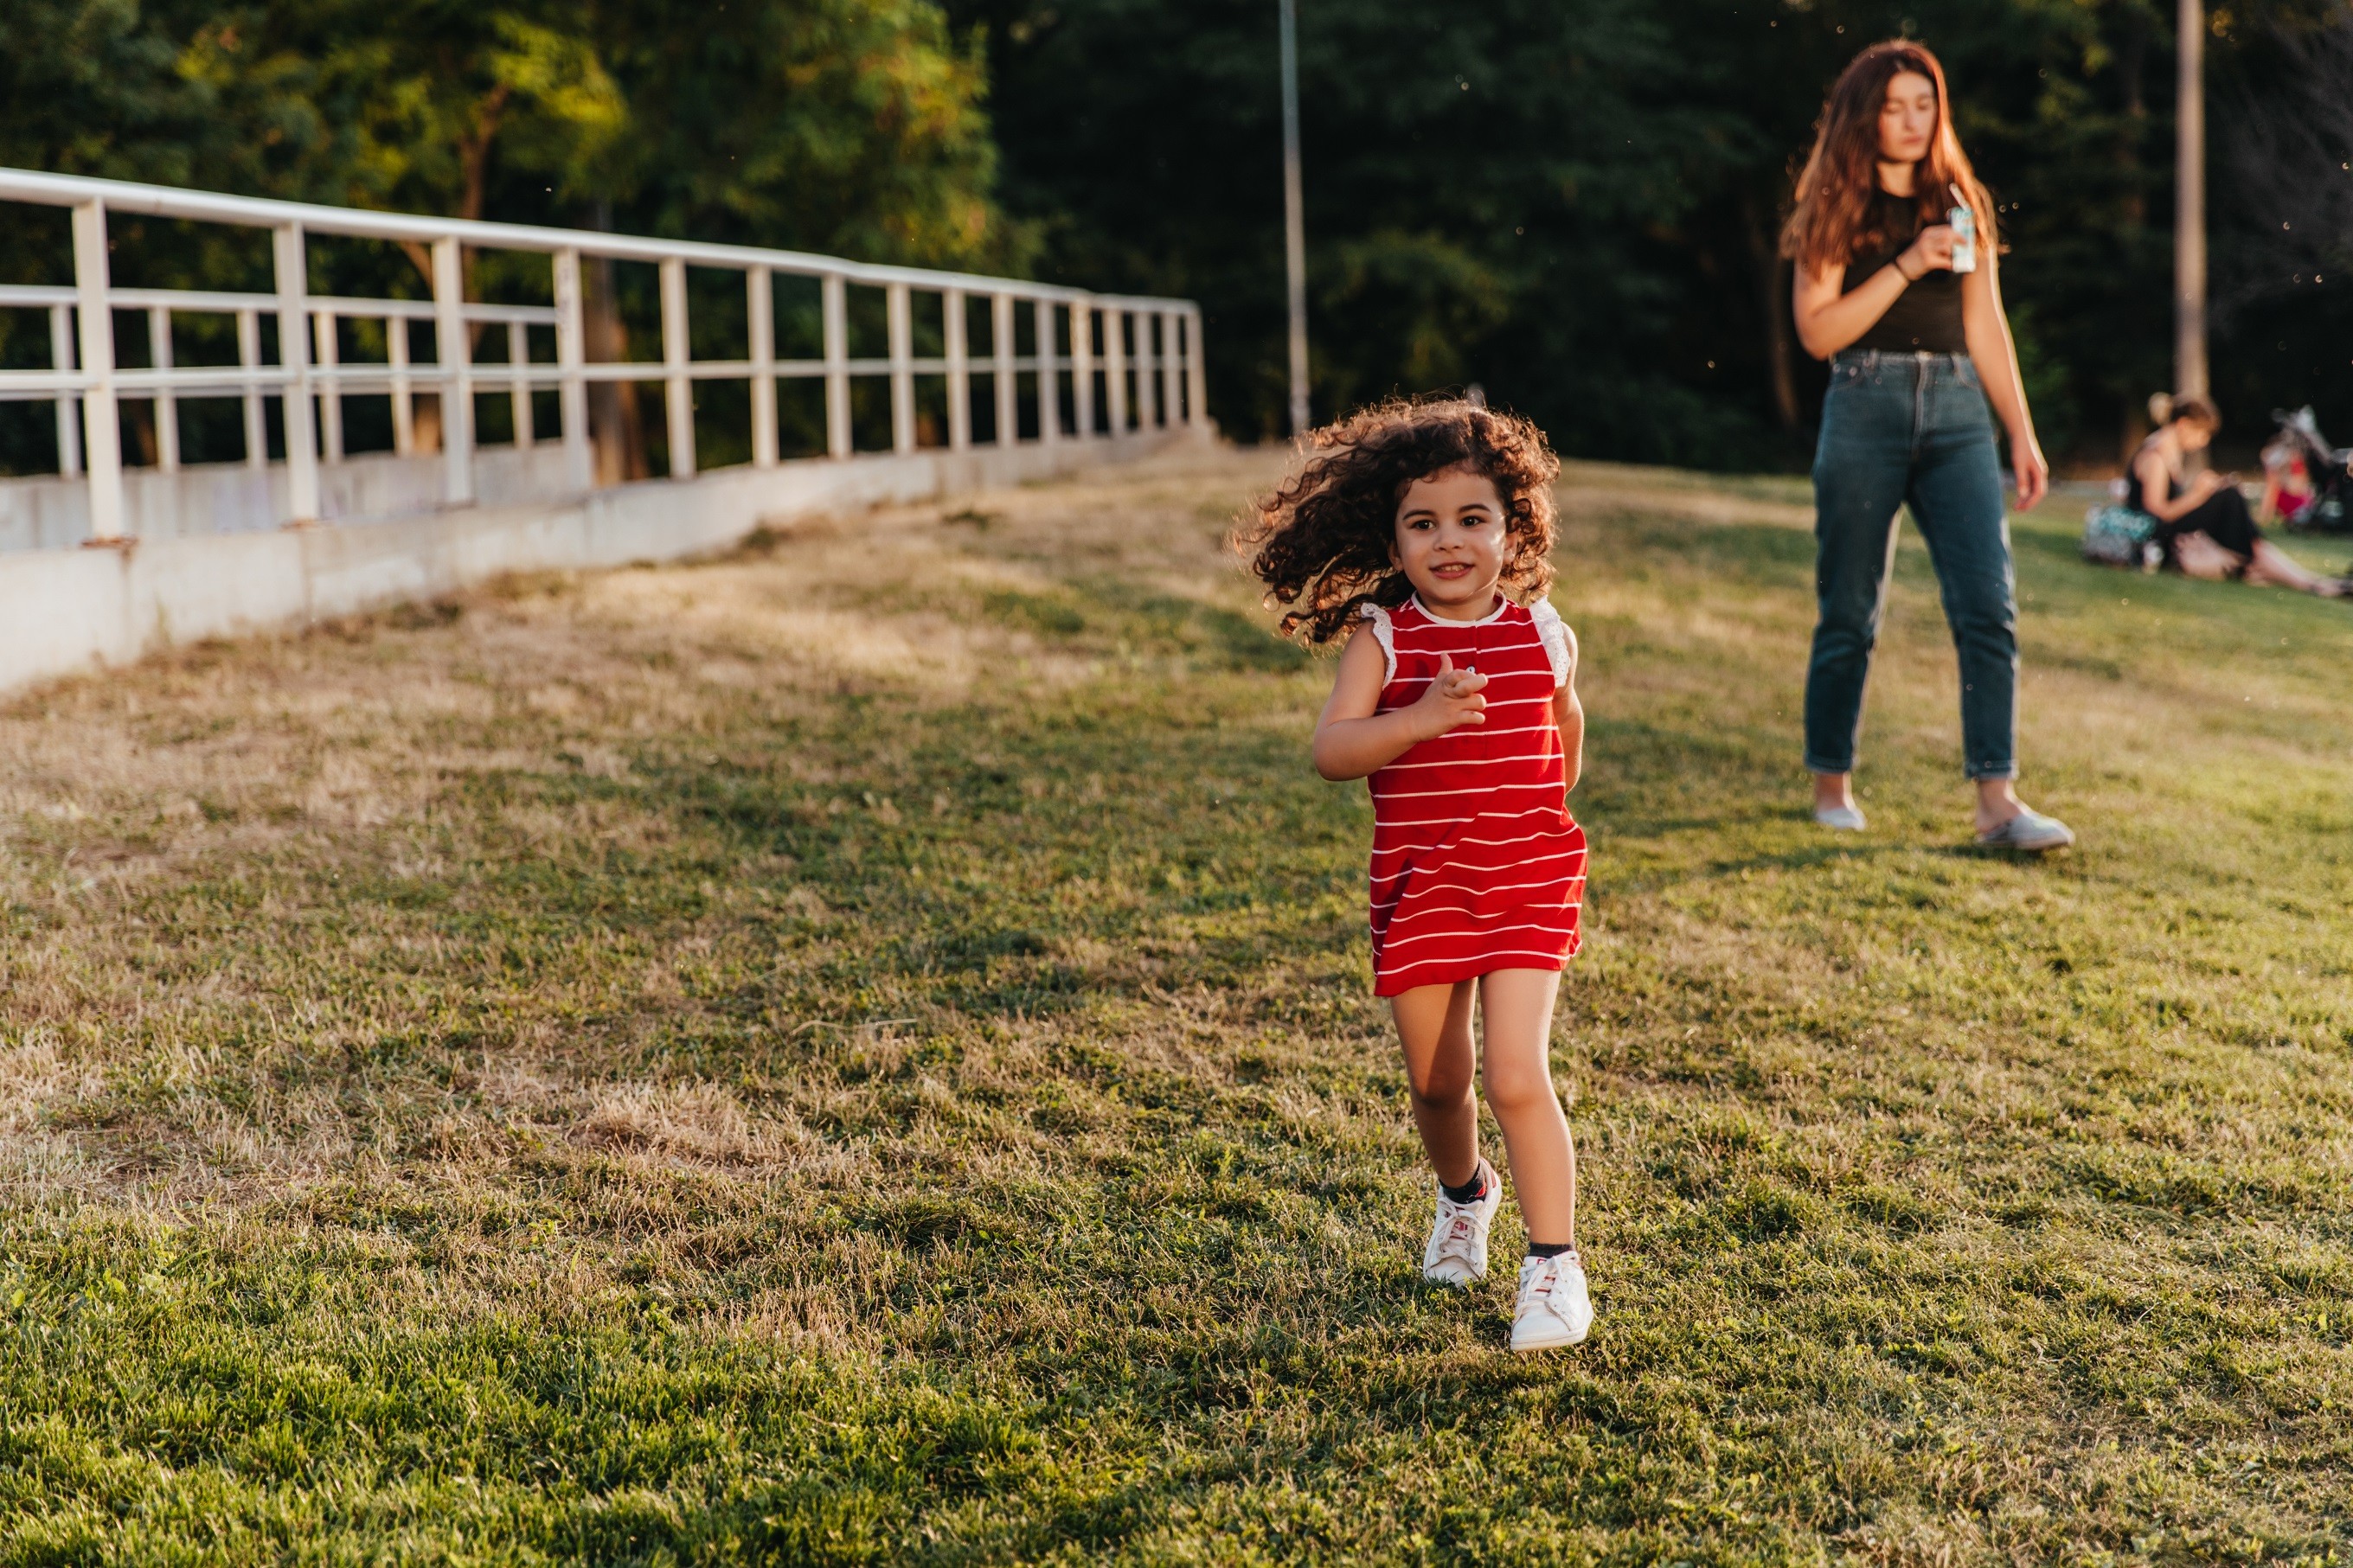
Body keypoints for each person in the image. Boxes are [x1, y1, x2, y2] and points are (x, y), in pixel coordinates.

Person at [1243, 397, 1593, 1354]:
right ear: (1391, 541)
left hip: (1525, 870)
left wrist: (1543, 800)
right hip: (1422, 881)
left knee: (1517, 1071)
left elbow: (1562, 730)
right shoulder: (1384, 639)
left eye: (1471, 519)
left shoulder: (1543, 632)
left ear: (1510, 530)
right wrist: (1419, 721)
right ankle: (1462, 1195)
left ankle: (1552, 1266)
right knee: (1439, 1082)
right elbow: (1333, 750)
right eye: (1422, 523)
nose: (1449, 542)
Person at [1783, 41, 2074, 852]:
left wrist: (2021, 432)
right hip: (1864, 400)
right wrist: (1908, 262)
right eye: (1893, 106)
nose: (1910, 123)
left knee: (1988, 606)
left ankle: (1997, 802)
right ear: (1864, 114)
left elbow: (1985, 324)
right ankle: (1832, 781)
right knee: (1849, 610)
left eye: (1924, 106)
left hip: (1957, 414)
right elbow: (1818, 331)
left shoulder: (1961, 198)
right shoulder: (1836, 199)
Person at [2132, 395, 2345, 595]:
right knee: (2231, 499)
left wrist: (2204, 492)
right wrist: (2198, 495)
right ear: (2183, 424)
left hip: (2168, 531)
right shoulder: (2156, 456)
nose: (2203, 441)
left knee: (2233, 505)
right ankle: (2309, 583)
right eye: (2201, 433)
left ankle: (2308, 581)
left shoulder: (2167, 450)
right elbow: (2156, 513)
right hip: (2158, 538)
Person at [2258, 434, 2317, 530]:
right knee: (2273, 483)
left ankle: (2265, 516)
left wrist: (2281, 474)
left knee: (2273, 483)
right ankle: (2265, 516)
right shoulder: (2277, 469)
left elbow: (2297, 488)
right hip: (2293, 505)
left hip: (2300, 508)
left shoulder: (2294, 462)